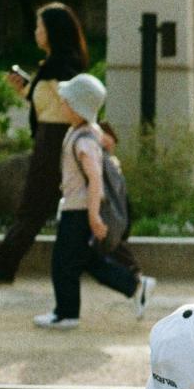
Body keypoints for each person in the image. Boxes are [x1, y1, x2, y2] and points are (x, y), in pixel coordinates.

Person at [0, 3, 90, 284]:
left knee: (33, 209)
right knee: (51, 208)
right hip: (53, 139)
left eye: (40, 26)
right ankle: (2, 265)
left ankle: (1, 266)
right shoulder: (58, 64)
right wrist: (26, 89)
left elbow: (72, 104)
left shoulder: (57, 66)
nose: (36, 31)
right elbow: (53, 103)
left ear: (52, 32)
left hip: (53, 141)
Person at [33, 74, 154, 330]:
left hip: (79, 211)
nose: (62, 104)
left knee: (63, 263)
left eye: (66, 101)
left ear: (77, 108)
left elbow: (95, 179)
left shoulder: (84, 141)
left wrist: (93, 216)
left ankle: (66, 313)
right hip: (76, 208)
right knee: (86, 260)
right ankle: (134, 286)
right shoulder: (86, 132)